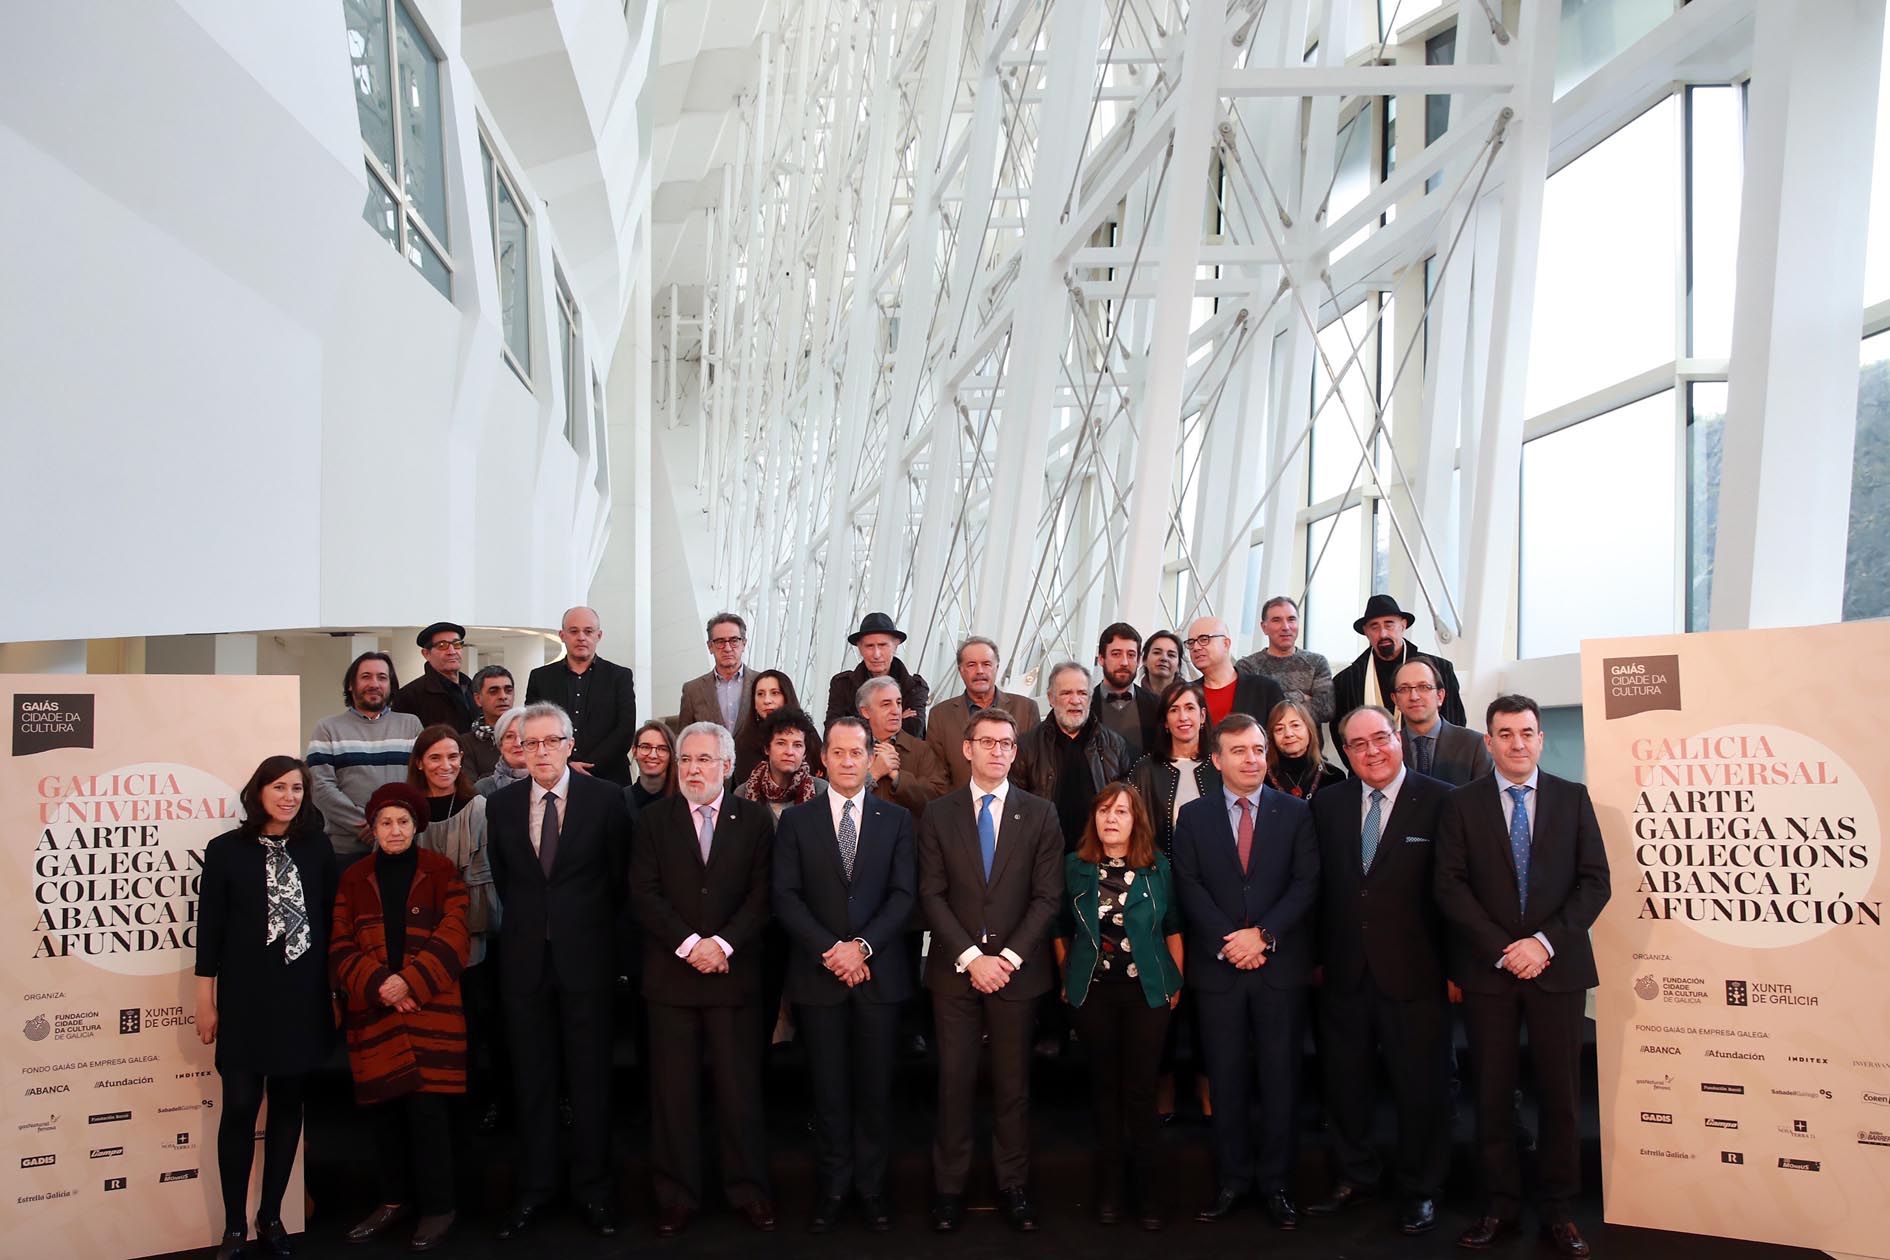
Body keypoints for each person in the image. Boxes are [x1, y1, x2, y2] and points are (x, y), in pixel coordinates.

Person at [1435, 696, 1610, 1259]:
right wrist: (1503, 949)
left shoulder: (1573, 798)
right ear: (1488, 742)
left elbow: (1594, 883)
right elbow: (1450, 886)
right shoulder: (1462, 806)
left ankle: (1559, 1211)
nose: (1517, 743)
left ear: (1540, 739)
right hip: (1491, 972)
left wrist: (1543, 943)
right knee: (1492, 1094)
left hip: (1557, 968)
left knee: (1560, 1097)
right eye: (1504, 734)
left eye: (1526, 733)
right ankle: (1500, 1206)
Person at [485, 702, 633, 1239]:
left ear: (571, 745)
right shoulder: (499, 807)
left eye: (552, 741)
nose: (541, 752)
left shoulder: (608, 800)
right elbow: (507, 882)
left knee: (591, 1082)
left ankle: (594, 1192)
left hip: (587, 964)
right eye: (531, 744)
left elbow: (619, 883)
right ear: (519, 750)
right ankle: (535, 1190)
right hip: (524, 965)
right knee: (533, 1082)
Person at [918, 707, 1065, 1233]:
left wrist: (1005, 959)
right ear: (967, 748)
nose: (998, 751)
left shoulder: (1041, 814)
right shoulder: (939, 813)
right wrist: (970, 959)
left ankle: (1013, 1186)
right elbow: (931, 895)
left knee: (1012, 1085)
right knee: (954, 1082)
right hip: (954, 971)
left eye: (1007, 744)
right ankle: (949, 1189)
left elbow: (1048, 898)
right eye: (988, 742)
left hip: (1017, 972)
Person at [1307, 706, 1453, 1236]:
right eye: (1358, 744)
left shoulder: (1442, 801)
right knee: (1345, 1084)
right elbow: (1317, 888)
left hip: (1416, 971)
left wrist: (1455, 968)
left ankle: (1420, 1188)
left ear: (1399, 738)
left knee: (1421, 1086)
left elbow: (1454, 891)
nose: (1372, 751)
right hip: (1344, 971)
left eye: (1380, 739)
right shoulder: (1327, 804)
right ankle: (1355, 1176)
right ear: (1345, 752)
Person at [1170, 714, 1318, 1231]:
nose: (1253, 759)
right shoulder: (1193, 816)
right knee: (1226, 1079)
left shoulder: (1296, 813)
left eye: (1258, 749)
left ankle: (1277, 1184)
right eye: (1240, 751)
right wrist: (1231, 942)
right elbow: (1188, 886)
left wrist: (1265, 936)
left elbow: (1306, 883)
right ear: (1217, 759)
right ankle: (1232, 1180)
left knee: (1281, 1078)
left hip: (1279, 968)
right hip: (1220, 969)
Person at [631, 722, 778, 1236]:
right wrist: (693, 946)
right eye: (686, 759)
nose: (693, 768)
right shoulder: (653, 821)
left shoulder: (756, 821)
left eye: (703, 760)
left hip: (734, 977)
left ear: (727, 765)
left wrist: (724, 945)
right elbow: (644, 894)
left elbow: (763, 896)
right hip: (672, 978)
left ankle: (748, 1191)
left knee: (739, 1092)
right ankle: (677, 1195)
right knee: (673, 1094)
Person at [771, 716, 917, 1233]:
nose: (849, 761)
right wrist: (832, 950)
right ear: (824, 759)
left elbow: (905, 897)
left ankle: (872, 1189)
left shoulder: (897, 821)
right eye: (839, 752)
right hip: (820, 977)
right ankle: (834, 1187)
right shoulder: (796, 822)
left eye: (858, 752)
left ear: (870, 756)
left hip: (879, 978)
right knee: (828, 1093)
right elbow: (785, 897)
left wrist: (862, 947)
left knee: (875, 1091)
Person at [195, 756, 338, 1260]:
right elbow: (208, 933)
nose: (289, 796)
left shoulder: (318, 848)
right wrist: (205, 1002)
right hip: (245, 999)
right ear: (258, 792)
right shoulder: (225, 851)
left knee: (286, 1107)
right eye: (279, 787)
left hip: (301, 997)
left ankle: (271, 1215)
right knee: (237, 1106)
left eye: (297, 788)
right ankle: (235, 1224)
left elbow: (329, 923)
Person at [332, 783, 471, 1253]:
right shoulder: (353, 877)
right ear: (373, 829)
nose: (395, 830)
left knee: (429, 1115)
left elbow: (455, 935)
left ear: (417, 827)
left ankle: (439, 1207)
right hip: (375, 1011)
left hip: (429, 1006)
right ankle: (392, 1202)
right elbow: (340, 945)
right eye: (386, 823)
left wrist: (410, 982)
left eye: (403, 822)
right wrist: (381, 986)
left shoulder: (442, 871)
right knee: (385, 1114)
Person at [1054, 785, 1184, 1230]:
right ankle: (1110, 1192)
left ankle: (1150, 1196)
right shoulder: (1074, 867)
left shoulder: (1158, 867)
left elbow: (1172, 927)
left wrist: (1174, 984)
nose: (1112, 819)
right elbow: (1059, 927)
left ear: (1136, 821)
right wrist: (1068, 975)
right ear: (1094, 819)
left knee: (1141, 1091)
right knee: (1105, 1091)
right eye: (1105, 811)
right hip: (1094, 994)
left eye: (1122, 812)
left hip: (1147, 993)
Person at [407, 725, 501, 1129]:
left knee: (474, 1024)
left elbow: (483, 884)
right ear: (419, 763)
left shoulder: (477, 807)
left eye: (452, 757)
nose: (445, 766)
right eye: (435, 758)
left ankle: (475, 1107)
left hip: (470, 935)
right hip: (416, 940)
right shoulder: (406, 811)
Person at [308, 651, 423, 860]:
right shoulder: (327, 728)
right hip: (346, 850)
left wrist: (391, 825)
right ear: (351, 684)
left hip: (404, 844)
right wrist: (373, 825)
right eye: (366, 677)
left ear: (391, 684)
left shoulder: (411, 725)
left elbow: (421, 780)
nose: (374, 683)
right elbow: (320, 786)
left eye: (382, 677)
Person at [1011, 662, 1131, 851]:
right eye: (1066, 693)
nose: (1075, 700)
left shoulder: (1114, 745)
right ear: (1051, 698)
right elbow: (1015, 809)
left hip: (1098, 856)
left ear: (1090, 699)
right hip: (1043, 855)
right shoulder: (1027, 746)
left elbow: (1127, 807)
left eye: (1082, 693)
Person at [1329, 594, 1465, 759]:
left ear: (1403, 625)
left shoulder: (1440, 669)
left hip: (1433, 768)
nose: (1383, 633)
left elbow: (1455, 723)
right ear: (1366, 632)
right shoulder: (1346, 681)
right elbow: (1342, 735)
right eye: (1374, 627)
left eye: (1389, 624)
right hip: (1370, 770)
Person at [524, 606, 638, 783]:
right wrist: (566, 765)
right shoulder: (540, 678)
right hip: (553, 777)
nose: (581, 637)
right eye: (574, 631)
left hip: (608, 778)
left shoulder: (619, 676)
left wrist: (589, 765)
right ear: (562, 636)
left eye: (588, 631)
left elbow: (625, 730)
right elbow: (533, 727)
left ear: (598, 636)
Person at [925, 635, 1042, 790]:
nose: (979, 671)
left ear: (997, 668)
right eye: (971, 665)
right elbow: (937, 776)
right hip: (960, 809)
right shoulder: (940, 716)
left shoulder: (1026, 709)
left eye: (986, 664)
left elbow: (1036, 770)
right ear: (960, 670)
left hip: (1015, 810)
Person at [1126, 680, 1220, 858]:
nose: (1183, 717)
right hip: (1159, 872)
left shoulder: (1221, 765)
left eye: (1190, 708)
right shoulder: (1145, 769)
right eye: (1174, 710)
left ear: (1202, 716)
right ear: (1166, 722)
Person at [825, 611, 931, 738]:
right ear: (859, 648)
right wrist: (896, 721)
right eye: (869, 646)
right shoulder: (842, 685)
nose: (876, 654)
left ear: (895, 646)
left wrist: (857, 720)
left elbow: (914, 730)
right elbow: (833, 731)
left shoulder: (914, 687)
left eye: (883, 645)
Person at [1235, 596, 1336, 724]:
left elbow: (1325, 709)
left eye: (1291, 619)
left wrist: (1270, 702)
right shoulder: (1247, 667)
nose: (1286, 627)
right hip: (1264, 743)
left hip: (1308, 744)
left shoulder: (1317, 663)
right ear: (1264, 627)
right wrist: (1300, 697)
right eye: (1277, 620)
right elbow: (1250, 712)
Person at [1393, 657, 1491, 786]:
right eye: (1404, 689)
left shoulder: (1474, 745)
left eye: (1423, 687)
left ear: (1440, 696)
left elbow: (1485, 799)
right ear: (1395, 700)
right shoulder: (1389, 747)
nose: (1414, 696)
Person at [859, 675, 948, 816]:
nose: (896, 710)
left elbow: (939, 797)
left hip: (909, 836)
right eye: (886, 704)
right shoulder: (853, 749)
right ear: (865, 711)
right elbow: (837, 797)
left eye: (898, 703)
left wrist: (897, 777)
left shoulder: (921, 749)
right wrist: (874, 774)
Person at [1184, 615, 1287, 730]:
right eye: (1191, 642)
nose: (1196, 647)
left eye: (1204, 639)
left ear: (1226, 644)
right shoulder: (1186, 694)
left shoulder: (1265, 690)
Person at [736, 708, 826, 818]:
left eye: (797, 745)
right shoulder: (743, 793)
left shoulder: (821, 791)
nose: (789, 752)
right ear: (767, 748)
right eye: (781, 743)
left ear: (805, 753)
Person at [1094, 621, 1162, 760]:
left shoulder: (1157, 706)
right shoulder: (1085, 706)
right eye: (1116, 654)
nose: (1124, 662)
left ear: (1138, 660)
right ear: (1101, 659)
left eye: (1131, 655)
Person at [392, 622, 477, 732]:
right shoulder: (409, 696)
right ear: (426, 654)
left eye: (456, 644)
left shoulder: (472, 688)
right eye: (442, 646)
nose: (452, 652)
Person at [678, 611, 752, 730]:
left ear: (743, 644)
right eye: (720, 642)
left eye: (734, 640)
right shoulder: (692, 691)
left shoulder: (762, 684)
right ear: (710, 647)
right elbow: (684, 738)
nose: (727, 648)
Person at [1265, 699, 1347, 800]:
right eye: (1279, 729)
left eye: (1295, 725)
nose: (1288, 734)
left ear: (1309, 729)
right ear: (1272, 737)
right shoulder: (1262, 780)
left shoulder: (1334, 777)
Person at [733, 668, 801, 784]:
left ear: (787, 697)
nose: (767, 700)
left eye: (775, 693)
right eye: (760, 694)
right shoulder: (744, 741)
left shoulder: (806, 732)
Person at [464, 665, 516, 779]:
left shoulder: (530, 736)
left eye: (508, 690)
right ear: (478, 699)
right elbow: (470, 788)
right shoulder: (465, 743)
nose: (503, 696)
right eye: (494, 692)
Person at [623, 718, 679, 819]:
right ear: (634, 752)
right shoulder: (620, 801)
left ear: (671, 755)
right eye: (645, 747)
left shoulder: (683, 803)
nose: (653, 755)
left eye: (662, 749)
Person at [474, 706, 530, 797]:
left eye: (524, 735)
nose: (518, 743)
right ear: (500, 745)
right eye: (509, 736)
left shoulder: (551, 784)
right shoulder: (483, 789)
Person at [1140, 630, 1184, 696]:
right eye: (1157, 653)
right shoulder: (1133, 698)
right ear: (1144, 660)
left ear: (1178, 665)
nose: (1164, 658)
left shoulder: (1191, 699)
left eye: (1171, 655)